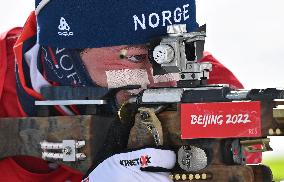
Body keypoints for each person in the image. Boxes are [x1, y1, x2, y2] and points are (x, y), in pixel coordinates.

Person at [0, 0, 244, 181]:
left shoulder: (214, 88)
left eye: (177, 53)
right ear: (65, 55)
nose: (168, 81)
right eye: (137, 58)